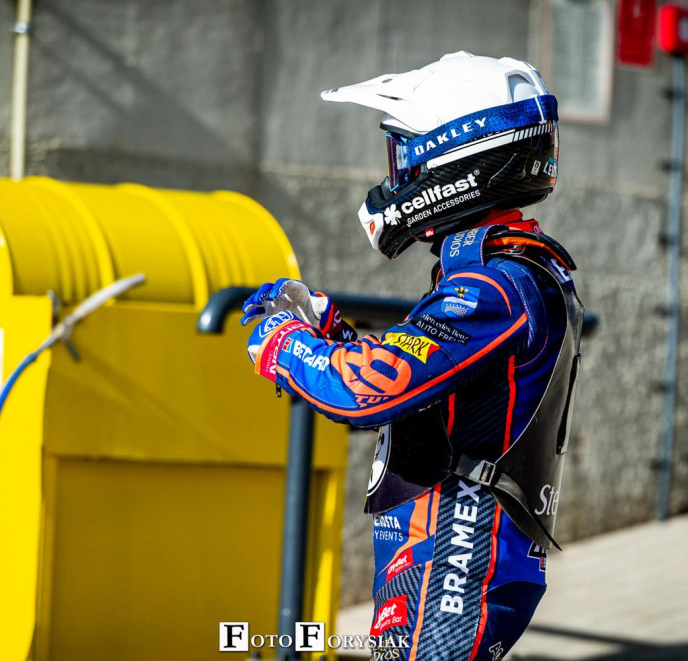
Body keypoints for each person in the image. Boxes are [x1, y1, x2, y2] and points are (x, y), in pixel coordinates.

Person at [242, 51, 583, 661]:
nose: (395, 178)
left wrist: (282, 343)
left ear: (454, 163)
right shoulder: (507, 272)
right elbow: (428, 389)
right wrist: (333, 336)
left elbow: (368, 390)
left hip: (454, 558)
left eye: (405, 158)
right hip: (443, 553)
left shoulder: (497, 285)